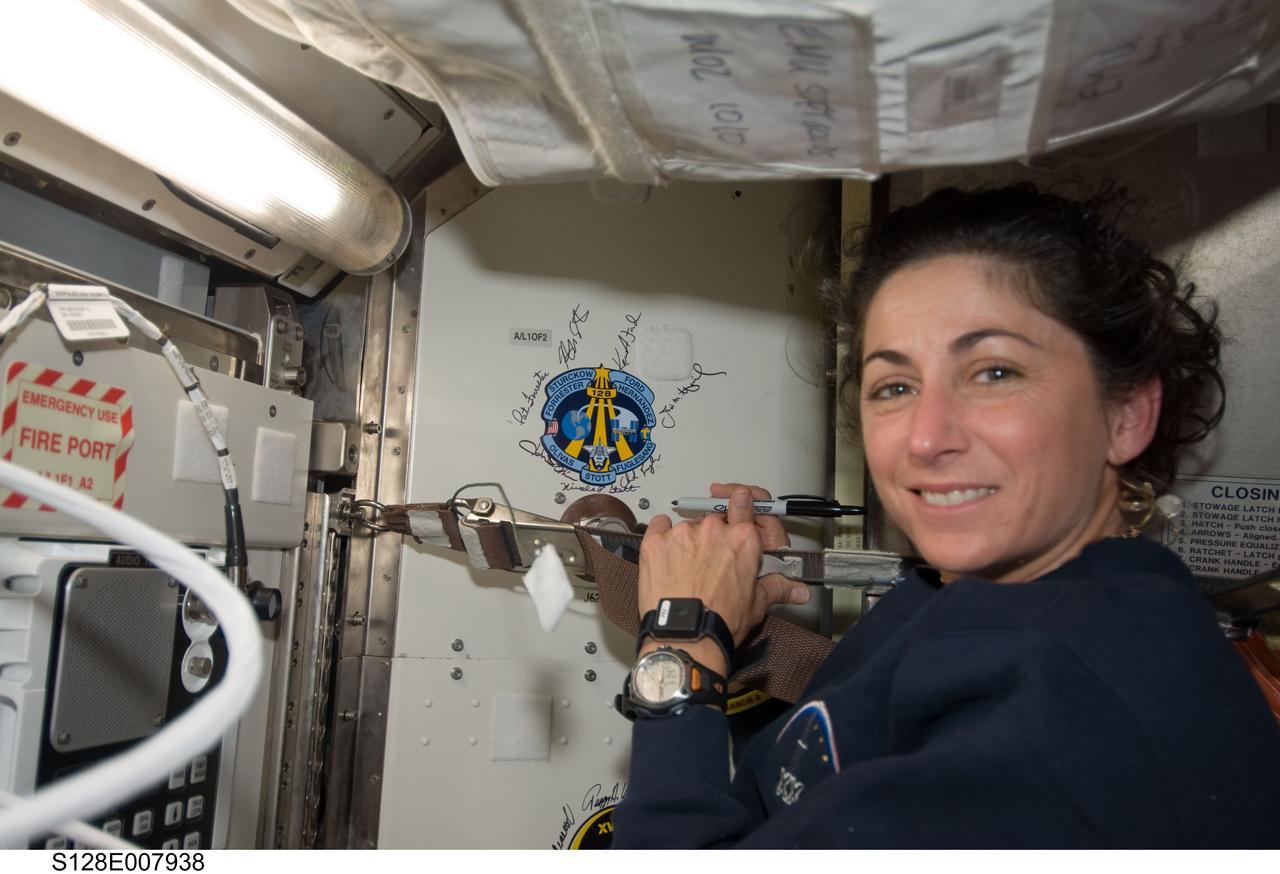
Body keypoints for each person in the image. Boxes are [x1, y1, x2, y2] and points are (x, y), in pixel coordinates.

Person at [609, 183, 1280, 848]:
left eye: (993, 373)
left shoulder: (1066, 716)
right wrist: (741, 635)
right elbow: (822, 785)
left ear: (1126, 414)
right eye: (894, 387)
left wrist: (682, 644)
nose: (927, 438)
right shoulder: (978, 591)